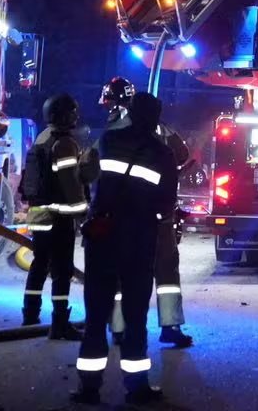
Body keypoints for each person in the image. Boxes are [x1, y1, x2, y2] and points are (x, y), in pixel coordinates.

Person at [74, 90, 178, 406]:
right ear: (156, 119)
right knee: (134, 316)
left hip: (103, 233)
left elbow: (86, 175)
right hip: (139, 238)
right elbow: (167, 202)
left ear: (130, 113)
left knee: (95, 314)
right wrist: (150, 218)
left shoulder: (107, 141)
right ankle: (137, 387)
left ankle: (89, 387)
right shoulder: (163, 153)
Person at [100, 76, 195, 348]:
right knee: (166, 272)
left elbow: (91, 168)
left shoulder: (112, 134)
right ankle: (170, 325)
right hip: (157, 219)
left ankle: (118, 327)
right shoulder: (162, 136)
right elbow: (182, 153)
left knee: (120, 272)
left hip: (119, 217)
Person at [21, 93, 89, 338]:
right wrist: (83, 213)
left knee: (39, 263)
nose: (75, 116)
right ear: (63, 115)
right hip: (59, 215)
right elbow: (70, 184)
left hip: (38, 212)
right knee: (62, 269)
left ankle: (30, 314)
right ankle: (60, 322)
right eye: (72, 112)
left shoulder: (42, 138)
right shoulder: (65, 144)